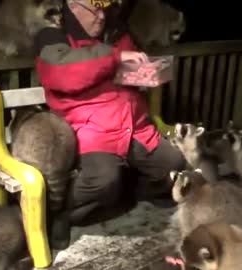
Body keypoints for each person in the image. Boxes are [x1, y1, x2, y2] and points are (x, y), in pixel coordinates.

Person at [33, 0, 186, 249]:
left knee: (173, 164)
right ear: (74, 5)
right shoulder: (52, 34)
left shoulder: (117, 32)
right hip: (92, 129)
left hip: (133, 125)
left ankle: (130, 194)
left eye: (105, 8)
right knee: (103, 180)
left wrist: (150, 70)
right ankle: (59, 211)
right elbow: (62, 73)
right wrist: (114, 59)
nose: (102, 16)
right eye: (96, 9)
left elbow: (138, 73)